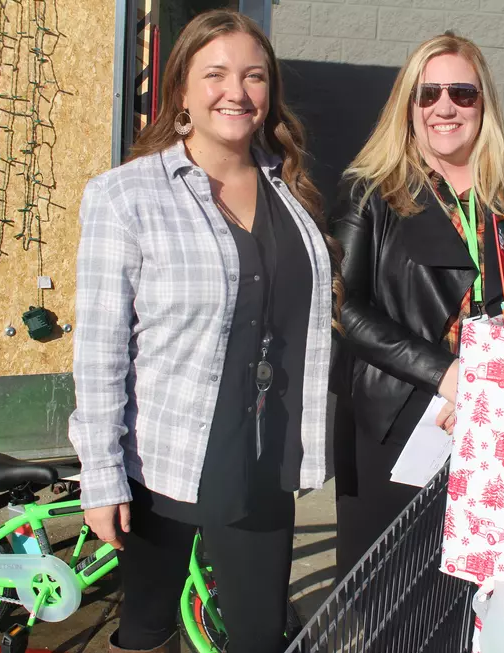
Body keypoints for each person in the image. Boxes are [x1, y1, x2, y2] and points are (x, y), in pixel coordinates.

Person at [68, 10, 342, 653]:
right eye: (215, 74)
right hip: (160, 461)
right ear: (182, 92)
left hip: (263, 458)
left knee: (257, 636)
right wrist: (101, 475)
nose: (236, 92)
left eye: (253, 76)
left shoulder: (291, 190)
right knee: (147, 628)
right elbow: (101, 349)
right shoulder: (126, 196)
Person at [330, 31, 504, 581]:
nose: (445, 107)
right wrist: (447, 375)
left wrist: (498, 386)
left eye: (462, 93)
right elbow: (341, 307)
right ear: (408, 105)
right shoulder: (371, 191)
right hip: (396, 420)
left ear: (483, 103)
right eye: (428, 93)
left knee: (478, 589)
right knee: (391, 593)